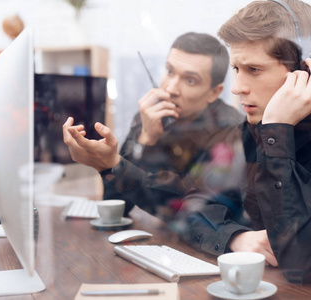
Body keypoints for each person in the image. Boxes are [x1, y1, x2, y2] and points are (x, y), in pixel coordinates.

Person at [181, 0, 311, 295]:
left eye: (254, 69)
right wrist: (237, 238)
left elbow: (307, 262)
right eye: (236, 68)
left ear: (309, 69)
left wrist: (277, 133)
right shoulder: (251, 126)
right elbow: (191, 205)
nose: (237, 86)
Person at [63, 32, 245, 222]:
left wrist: (117, 161)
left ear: (214, 93)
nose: (171, 88)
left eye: (190, 80)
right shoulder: (151, 115)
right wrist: (145, 139)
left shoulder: (231, 130)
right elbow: (117, 206)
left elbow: (187, 212)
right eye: (169, 71)